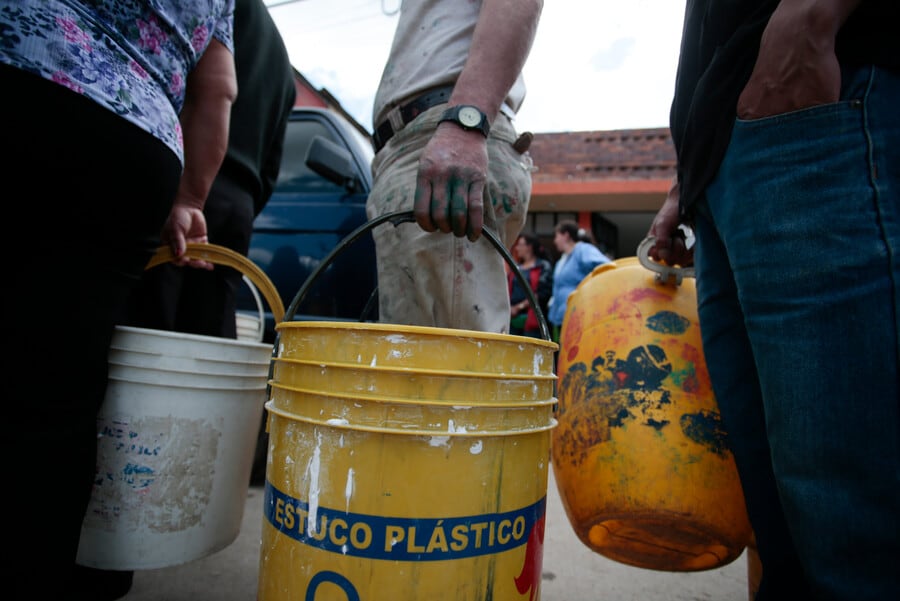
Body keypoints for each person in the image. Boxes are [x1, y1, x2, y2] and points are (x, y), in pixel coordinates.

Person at [647, 2, 900, 598]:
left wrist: (811, 17)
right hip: (727, 163)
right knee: (782, 530)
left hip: (819, 100)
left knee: (852, 529)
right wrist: (689, 178)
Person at [0, 2, 237, 598]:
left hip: (25, 62)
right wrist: (188, 197)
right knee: (59, 394)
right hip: (132, 141)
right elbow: (219, 89)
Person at [365, 0, 543, 333]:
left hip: (447, 132)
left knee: (459, 366)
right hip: (419, 141)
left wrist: (466, 121)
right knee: (421, 367)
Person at [125, 0, 295, 341]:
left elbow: (199, 85)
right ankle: (210, 394)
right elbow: (273, 158)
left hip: (187, 177)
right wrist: (244, 205)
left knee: (153, 321)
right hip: (239, 205)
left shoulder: (221, 9)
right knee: (213, 322)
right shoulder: (281, 57)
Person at [547, 220, 610, 342]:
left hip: (579, 315)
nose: (555, 241)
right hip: (561, 317)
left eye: (557, 236)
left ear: (566, 235)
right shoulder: (562, 260)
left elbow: (605, 267)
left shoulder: (583, 250)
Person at [508, 232, 552, 338]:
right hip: (512, 318)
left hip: (532, 319)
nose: (517, 248)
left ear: (529, 247)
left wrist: (518, 307)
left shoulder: (542, 266)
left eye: (520, 244)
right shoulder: (516, 267)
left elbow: (542, 293)